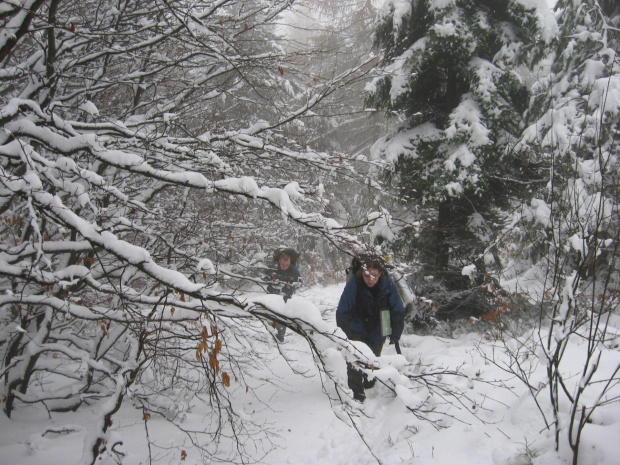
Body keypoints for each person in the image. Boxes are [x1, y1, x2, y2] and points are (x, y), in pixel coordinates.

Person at [336, 254, 404, 402]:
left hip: (378, 328)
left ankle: (369, 380)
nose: (371, 279)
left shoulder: (388, 285)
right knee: (355, 358)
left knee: (373, 358)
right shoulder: (354, 283)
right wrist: (344, 336)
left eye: (375, 275)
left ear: (380, 273)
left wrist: (396, 333)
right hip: (356, 326)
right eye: (367, 275)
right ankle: (357, 392)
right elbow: (342, 311)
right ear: (362, 272)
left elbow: (397, 309)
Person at [266, 247, 302, 342]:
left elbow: (300, 282)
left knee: (281, 315)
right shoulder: (273, 267)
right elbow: (263, 276)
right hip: (272, 294)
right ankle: (270, 333)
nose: (285, 266)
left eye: (287, 264)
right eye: (283, 264)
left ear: (290, 262)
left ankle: (280, 335)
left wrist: (292, 286)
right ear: (279, 261)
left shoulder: (294, 270)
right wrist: (271, 277)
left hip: (285, 296)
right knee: (270, 314)